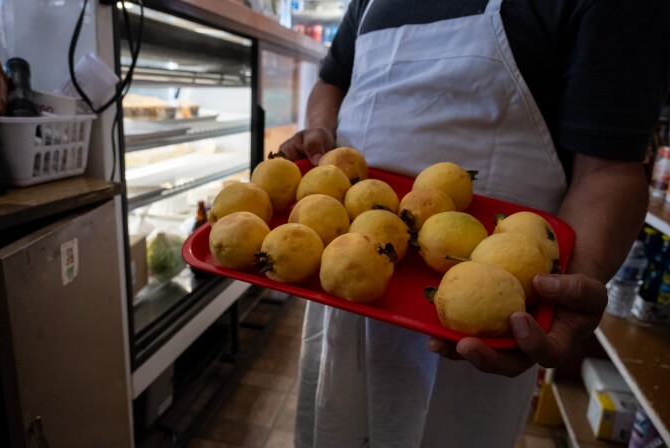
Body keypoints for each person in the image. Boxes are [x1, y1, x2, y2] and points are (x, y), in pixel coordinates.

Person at [279, 0, 670, 446]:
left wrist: (573, 282)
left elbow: (610, 171)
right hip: (342, 278)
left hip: (478, 318)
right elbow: (331, 79)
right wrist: (319, 128)